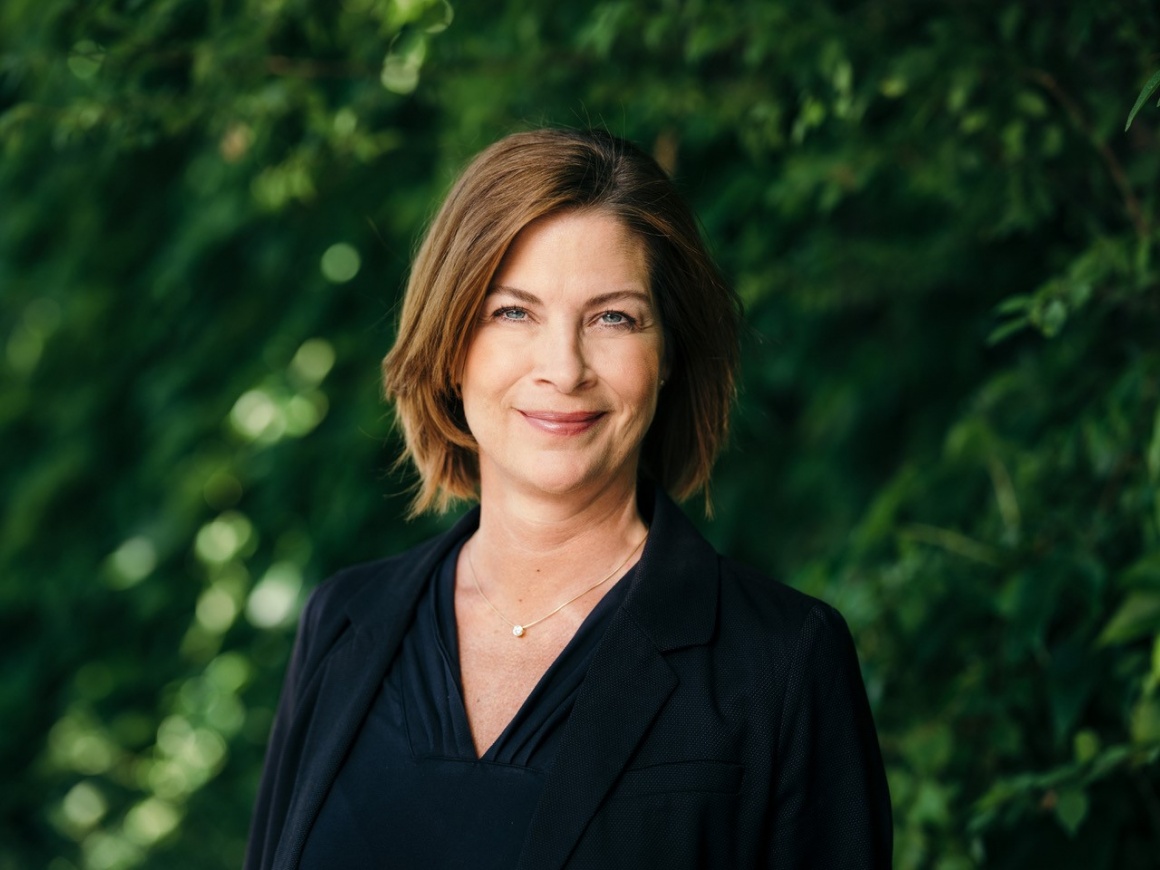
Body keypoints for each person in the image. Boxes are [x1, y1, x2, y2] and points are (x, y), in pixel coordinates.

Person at [245, 128, 891, 869]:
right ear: (451, 343)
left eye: (613, 317)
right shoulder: (342, 625)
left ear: (669, 354)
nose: (564, 367)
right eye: (512, 312)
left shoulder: (780, 662)